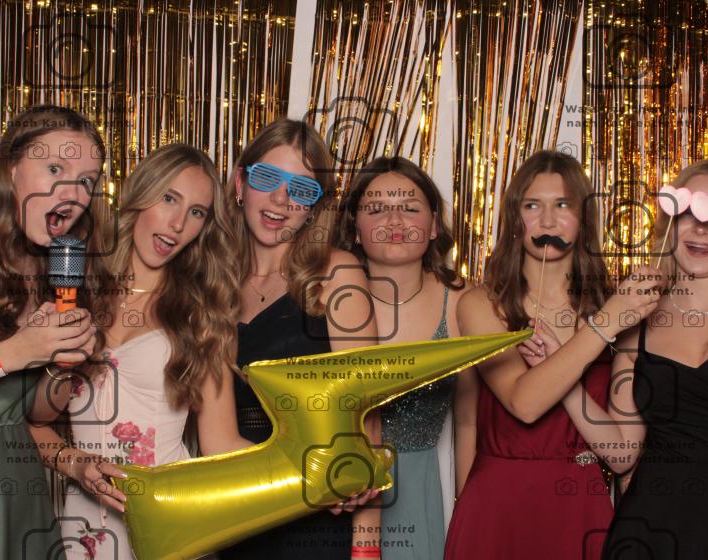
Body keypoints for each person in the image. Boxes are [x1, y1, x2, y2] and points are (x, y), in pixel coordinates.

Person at [27, 144, 247, 560]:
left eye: (196, 212)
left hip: (168, 521)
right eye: (169, 199)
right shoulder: (75, 293)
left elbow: (221, 443)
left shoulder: (201, 315)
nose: (178, 224)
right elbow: (30, 423)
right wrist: (75, 463)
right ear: (141, 194)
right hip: (84, 526)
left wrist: (310, 472)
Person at [444, 150, 662, 560]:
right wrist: (605, 324)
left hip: (579, 504)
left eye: (563, 205)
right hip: (496, 504)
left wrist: (609, 318)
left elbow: (621, 454)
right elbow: (523, 404)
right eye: (532, 206)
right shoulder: (482, 304)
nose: (547, 222)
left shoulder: (618, 308)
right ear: (515, 218)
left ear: (584, 219)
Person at [0, 105, 105, 559]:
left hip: (18, 500)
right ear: (10, 169)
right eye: (55, 169)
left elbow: (36, 415)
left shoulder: (50, 273)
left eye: (87, 181)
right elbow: (6, 361)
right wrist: (9, 354)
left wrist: (63, 365)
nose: (73, 194)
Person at [218, 118, 381, 560]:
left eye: (302, 189)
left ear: (314, 208)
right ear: (240, 183)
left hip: (319, 516)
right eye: (267, 178)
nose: (280, 199)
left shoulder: (336, 273)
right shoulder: (213, 281)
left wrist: (367, 548)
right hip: (235, 512)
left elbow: (366, 416)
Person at [602, 160, 708, 559]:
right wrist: (567, 381)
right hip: (654, 532)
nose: (700, 228)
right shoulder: (637, 320)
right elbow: (621, 454)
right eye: (687, 212)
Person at [335, 156, 475, 559]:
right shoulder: (328, 295)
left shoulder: (462, 301)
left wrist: (467, 516)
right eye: (377, 209)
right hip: (336, 493)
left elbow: (468, 422)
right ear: (355, 228)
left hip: (417, 495)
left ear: (433, 226)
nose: (394, 221)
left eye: (409, 208)